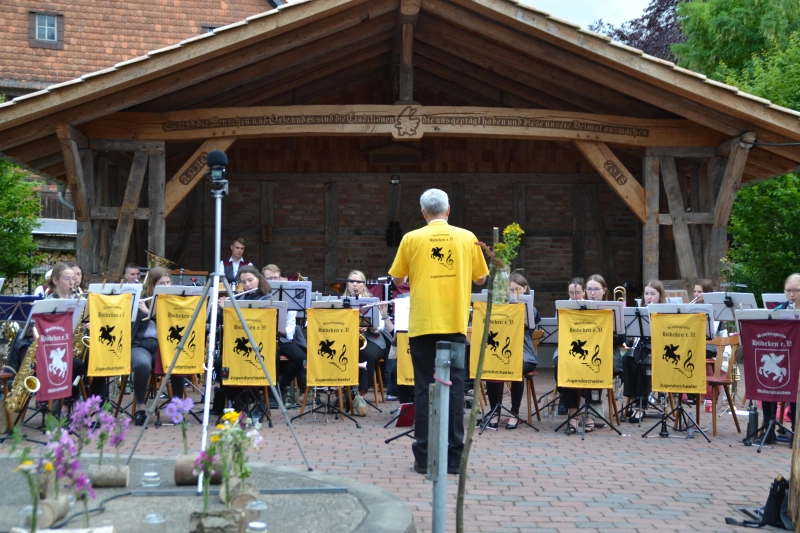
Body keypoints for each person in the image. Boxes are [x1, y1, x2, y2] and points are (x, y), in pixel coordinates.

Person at [389, 188, 489, 476]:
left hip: (422, 325)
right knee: (455, 389)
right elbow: (481, 279)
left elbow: (397, 278)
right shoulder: (467, 237)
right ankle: (454, 458)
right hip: (454, 324)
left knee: (422, 389)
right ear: (448, 210)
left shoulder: (411, 238)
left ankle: (423, 457)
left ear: (423, 213)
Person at [211, 265, 273, 415]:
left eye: (250, 280)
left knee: (243, 363)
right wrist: (222, 309)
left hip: (260, 345)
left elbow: (252, 321)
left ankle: (256, 402)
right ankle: (238, 401)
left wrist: (230, 309)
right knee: (220, 363)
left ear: (259, 279)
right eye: (244, 282)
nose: (248, 285)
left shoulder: (267, 298)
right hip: (241, 345)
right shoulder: (241, 297)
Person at [130, 267, 186, 426]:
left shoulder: (174, 300)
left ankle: (176, 407)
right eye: (162, 283)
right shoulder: (141, 298)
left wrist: (149, 313)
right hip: (140, 344)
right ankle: (141, 407)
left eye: (168, 282)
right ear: (152, 285)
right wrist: (137, 310)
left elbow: (173, 324)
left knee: (176, 361)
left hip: (163, 345)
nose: (166, 286)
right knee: (142, 364)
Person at [484, 272, 540, 430]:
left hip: (524, 354)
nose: (514, 293)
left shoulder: (531, 310)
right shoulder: (500, 308)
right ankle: (495, 412)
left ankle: (514, 413)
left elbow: (526, 327)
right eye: (511, 290)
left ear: (525, 289)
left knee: (516, 368)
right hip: (504, 349)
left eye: (517, 289)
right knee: (491, 365)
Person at [343, 270, 394, 405]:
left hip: (372, 338)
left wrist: (370, 326)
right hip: (348, 338)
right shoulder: (341, 302)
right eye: (351, 282)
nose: (354, 284)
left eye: (358, 282)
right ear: (347, 285)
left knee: (368, 355)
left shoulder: (372, 301)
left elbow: (380, 327)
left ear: (364, 285)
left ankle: (361, 394)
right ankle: (344, 389)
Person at [761, 273, 800, 441]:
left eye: (796, 291)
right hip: (782, 356)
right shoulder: (779, 309)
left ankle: (796, 432)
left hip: (797, 360)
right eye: (788, 291)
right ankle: (769, 430)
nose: (791, 294)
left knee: (795, 384)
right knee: (766, 381)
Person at [261, 265, 307, 400]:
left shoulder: (289, 298)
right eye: (269, 279)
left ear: (280, 278)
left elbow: (290, 330)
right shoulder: (259, 296)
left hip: (281, 337)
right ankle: (262, 389)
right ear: (263, 279)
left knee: (299, 357)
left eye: (276, 278)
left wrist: (280, 329)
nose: (273, 281)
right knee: (270, 356)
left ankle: (280, 388)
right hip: (261, 337)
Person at [622, 279, 664, 422]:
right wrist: (631, 336)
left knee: (643, 363)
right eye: (646, 294)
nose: (649, 297)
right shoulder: (639, 312)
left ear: (660, 295)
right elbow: (629, 340)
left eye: (653, 294)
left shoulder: (664, 312)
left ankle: (641, 405)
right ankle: (635, 400)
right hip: (641, 347)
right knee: (627, 360)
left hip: (658, 350)